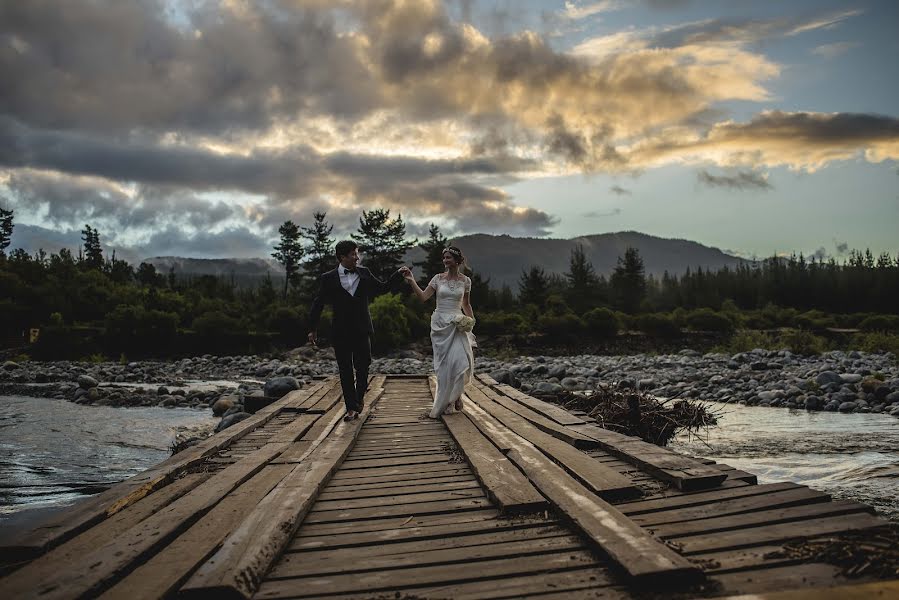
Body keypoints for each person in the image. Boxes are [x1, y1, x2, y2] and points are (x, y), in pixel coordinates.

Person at [308, 240, 405, 421]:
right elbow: (318, 303)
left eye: (357, 254)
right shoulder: (328, 278)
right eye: (353, 254)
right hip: (340, 332)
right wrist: (312, 329)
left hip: (362, 329)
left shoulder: (364, 273)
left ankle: (359, 397)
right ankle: (351, 408)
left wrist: (398, 274)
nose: (357, 257)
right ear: (342, 257)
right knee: (345, 370)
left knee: (363, 367)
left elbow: (383, 288)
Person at [400, 246, 475, 418]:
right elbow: (423, 297)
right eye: (444, 258)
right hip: (440, 324)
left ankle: (456, 396)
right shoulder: (437, 279)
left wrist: (471, 321)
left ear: (457, 260)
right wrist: (411, 280)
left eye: (448, 257)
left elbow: (466, 304)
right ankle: (450, 400)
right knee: (444, 366)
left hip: (457, 324)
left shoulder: (466, 281)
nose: (445, 260)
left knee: (460, 360)